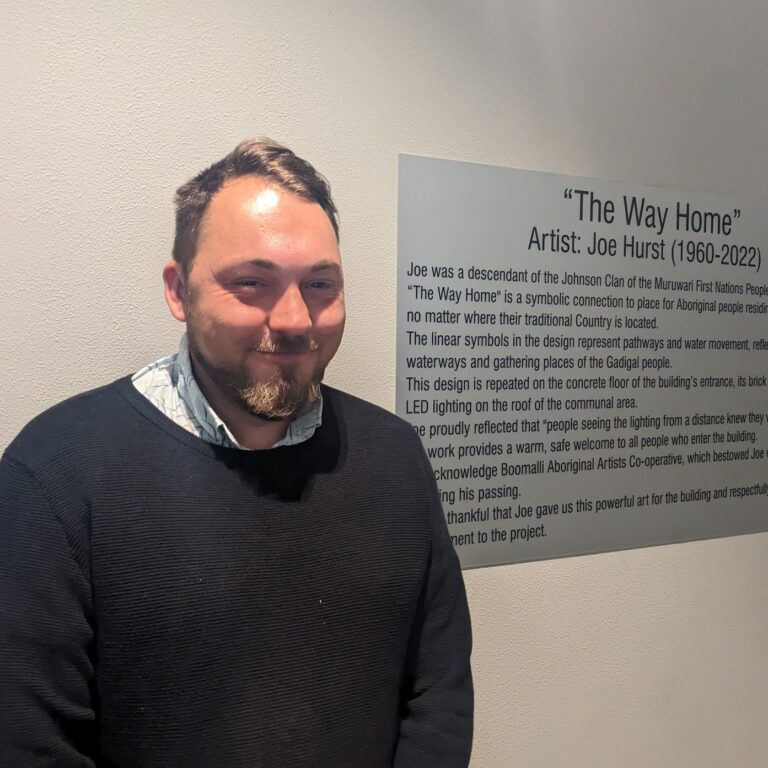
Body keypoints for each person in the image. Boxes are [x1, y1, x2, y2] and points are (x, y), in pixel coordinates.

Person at [0, 138, 473, 767]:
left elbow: (438, 692)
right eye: (252, 283)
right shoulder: (56, 473)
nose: (295, 317)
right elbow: (29, 741)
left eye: (321, 284)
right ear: (178, 290)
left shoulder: (394, 454)